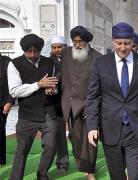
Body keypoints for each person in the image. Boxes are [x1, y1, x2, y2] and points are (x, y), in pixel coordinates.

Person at [85, 22, 138, 180]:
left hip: (137, 128)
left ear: (132, 42)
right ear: (112, 41)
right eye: (118, 43)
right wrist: (92, 126)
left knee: (134, 176)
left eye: (127, 43)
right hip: (110, 129)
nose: (123, 47)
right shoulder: (101, 63)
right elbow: (92, 97)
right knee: (117, 175)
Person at [7, 34, 59, 180]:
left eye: (36, 51)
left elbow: (55, 83)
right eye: (29, 51)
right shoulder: (14, 64)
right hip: (27, 115)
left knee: (50, 146)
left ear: (41, 49)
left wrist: (53, 89)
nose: (32, 54)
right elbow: (15, 91)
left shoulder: (50, 62)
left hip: (48, 112)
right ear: (23, 50)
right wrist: (39, 85)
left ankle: (42, 175)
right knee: (21, 150)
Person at [60, 26, 101, 180]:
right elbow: (60, 72)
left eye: (81, 42)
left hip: (90, 103)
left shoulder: (97, 57)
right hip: (70, 103)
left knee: (91, 137)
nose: (77, 44)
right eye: (74, 41)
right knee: (75, 138)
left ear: (87, 42)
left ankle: (90, 171)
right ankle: (80, 159)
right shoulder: (65, 53)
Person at [49, 35, 69, 175]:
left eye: (59, 47)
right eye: (54, 47)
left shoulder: (72, 60)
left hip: (73, 102)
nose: (57, 49)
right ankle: (62, 162)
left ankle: (82, 160)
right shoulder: (48, 62)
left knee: (76, 135)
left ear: (65, 47)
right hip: (55, 103)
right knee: (58, 133)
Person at [0, 54, 14, 167]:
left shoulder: (7, 62)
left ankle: (1, 159)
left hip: (2, 104)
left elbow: (13, 83)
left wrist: (9, 102)